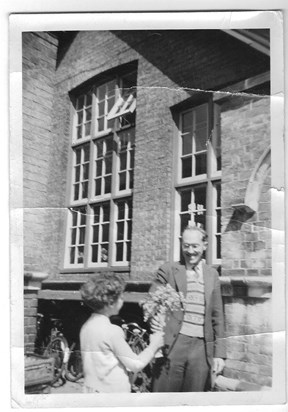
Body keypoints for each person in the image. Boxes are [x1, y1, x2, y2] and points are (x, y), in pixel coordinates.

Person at [150, 225, 226, 392]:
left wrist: (219, 353)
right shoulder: (168, 270)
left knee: (193, 400)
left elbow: (217, 316)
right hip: (173, 344)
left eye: (195, 246)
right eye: (186, 246)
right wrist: (155, 319)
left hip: (201, 348)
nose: (190, 251)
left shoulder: (212, 275)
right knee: (163, 397)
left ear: (204, 246)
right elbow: (152, 300)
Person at [79, 272, 163, 393]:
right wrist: (154, 345)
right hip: (112, 393)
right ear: (111, 302)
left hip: (91, 390)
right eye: (121, 297)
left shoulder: (86, 327)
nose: (123, 299)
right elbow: (135, 364)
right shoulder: (112, 331)